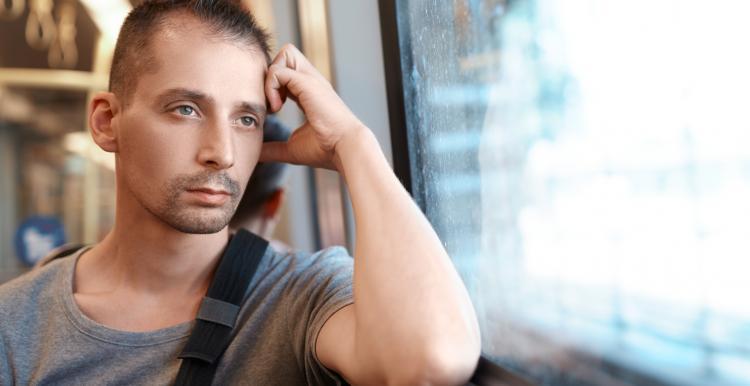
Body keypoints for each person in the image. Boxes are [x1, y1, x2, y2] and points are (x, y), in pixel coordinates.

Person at [0, 1, 480, 384]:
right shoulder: (15, 325)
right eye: (186, 109)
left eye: (246, 119)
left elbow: (430, 363)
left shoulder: (300, 292)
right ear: (107, 122)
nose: (222, 153)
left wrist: (354, 145)